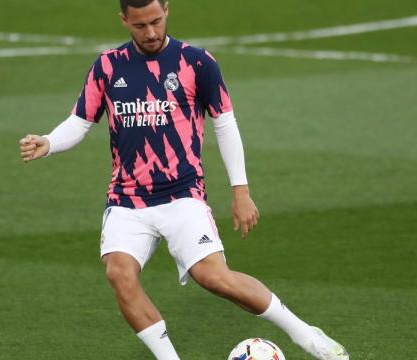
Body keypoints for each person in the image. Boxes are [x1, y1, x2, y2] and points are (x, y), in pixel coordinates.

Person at [19, 1, 349, 359]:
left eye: (156, 22)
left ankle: (306, 335)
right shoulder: (108, 66)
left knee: (214, 277)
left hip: (182, 196)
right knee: (119, 274)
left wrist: (241, 191)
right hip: (126, 199)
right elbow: (80, 121)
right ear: (124, 21)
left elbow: (225, 124)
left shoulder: (197, 62)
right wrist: (49, 142)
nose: (150, 33)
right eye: (140, 25)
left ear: (167, 11)